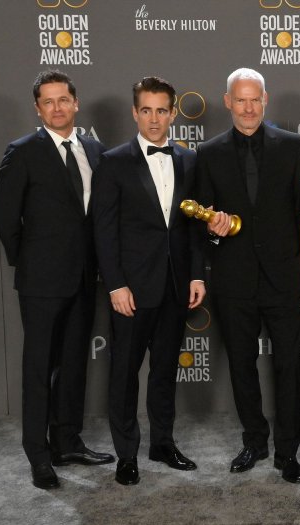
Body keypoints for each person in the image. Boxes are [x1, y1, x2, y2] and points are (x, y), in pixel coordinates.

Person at [0, 69, 114, 489]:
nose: (57, 108)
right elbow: (6, 217)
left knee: (75, 364)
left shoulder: (96, 150)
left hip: (84, 278)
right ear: (38, 108)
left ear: (76, 103)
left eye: (64, 99)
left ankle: (67, 442)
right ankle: (39, 455)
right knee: (39, 366)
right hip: (41, 282)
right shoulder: (22, 151)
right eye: (48, 101)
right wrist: (29, 263)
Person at [196, 67, 300, 484]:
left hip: (285, 278)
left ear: (266, 100)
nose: (248, 107)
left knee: (289, 366)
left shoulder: (292, 145)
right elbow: (200, 220)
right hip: (234, 278)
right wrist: (211, 229)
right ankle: (254, 441)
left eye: (255, 99)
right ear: (228, 102)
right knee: (242, 364)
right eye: (240, 99)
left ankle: (288, 452)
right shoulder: (207, 153)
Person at [92, 76, 205, 485]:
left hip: (175, 285)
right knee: (124, 372)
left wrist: (195, 274)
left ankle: (162, 442)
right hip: (132, 290)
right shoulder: (114, 161)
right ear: (134, 113)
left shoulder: (189, 160)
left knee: (163, 371)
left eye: (161, 110)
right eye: (146, 110)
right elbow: (103, 230)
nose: (154, 119)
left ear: (173, 113)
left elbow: (191, 227)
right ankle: (127, 454)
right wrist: (115, 284)